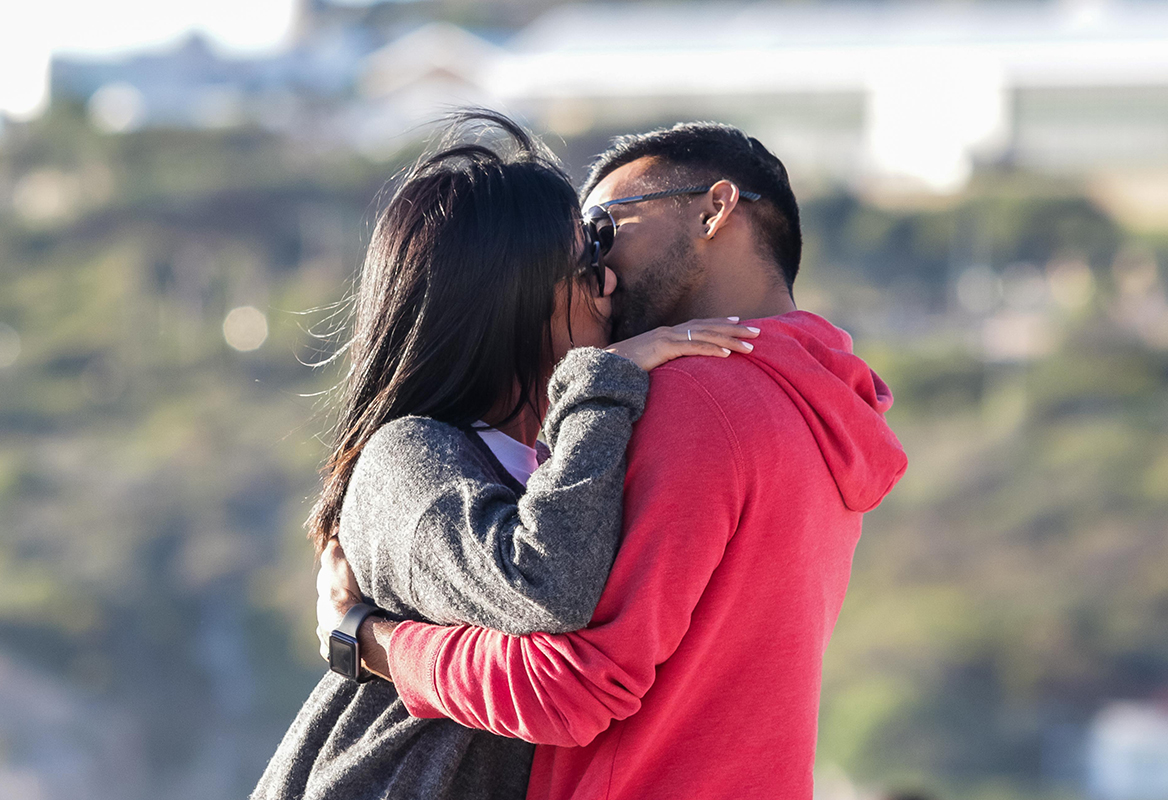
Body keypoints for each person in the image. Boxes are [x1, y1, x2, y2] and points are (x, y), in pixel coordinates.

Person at [316, 122, 909, 799]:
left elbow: (567, 686)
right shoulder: (825, 409)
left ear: (713, 211)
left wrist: (365, 640)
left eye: (604, 228)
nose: (601, 269)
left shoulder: (691, 398)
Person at [252, 112, 758, 800]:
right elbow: (546, 584)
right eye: (586, 266)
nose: (610, 284)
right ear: (510, 296)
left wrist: (361, 636)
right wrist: (604, 378)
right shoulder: (405, 457)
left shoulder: (554, 450)